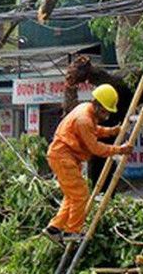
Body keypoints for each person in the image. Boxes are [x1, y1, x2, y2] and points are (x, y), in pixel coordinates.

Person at [43, 85, 131, 242]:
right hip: (63, 157)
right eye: (105, 111)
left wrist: (111, 131)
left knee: (72, 196)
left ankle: (54, 228)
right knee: (81, 195)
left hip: (63, 156)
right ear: (97, 105)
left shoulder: (85, 110)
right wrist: (119, 149)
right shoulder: (84, 119)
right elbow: (95, 148)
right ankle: (72, 231)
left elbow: (93, 130)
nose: (106, 115)